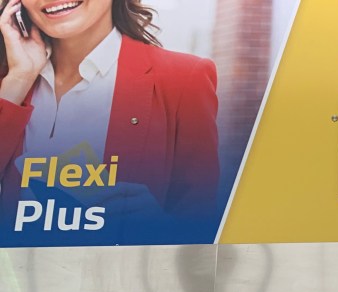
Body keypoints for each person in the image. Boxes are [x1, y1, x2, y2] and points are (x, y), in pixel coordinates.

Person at [0, 0, 221, 230]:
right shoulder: (10, 81)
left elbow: (199, 227)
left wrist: (158, 225)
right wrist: (18, 80)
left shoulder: (183, 80)